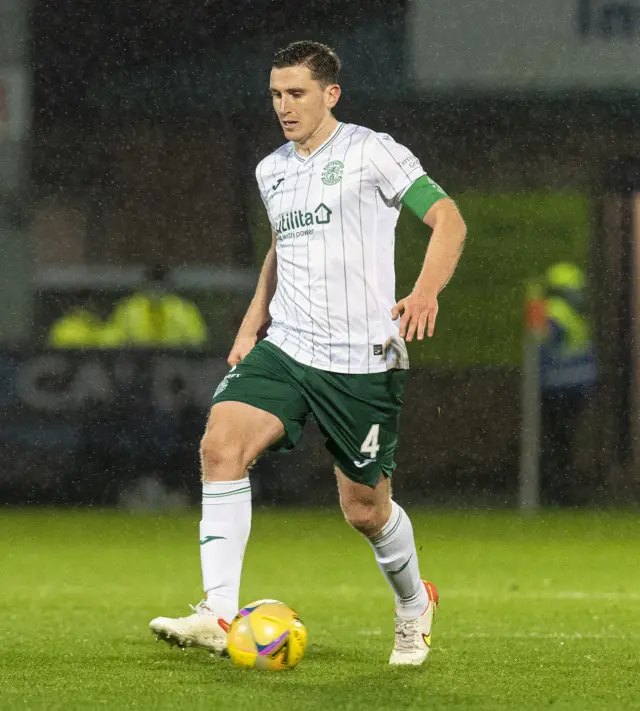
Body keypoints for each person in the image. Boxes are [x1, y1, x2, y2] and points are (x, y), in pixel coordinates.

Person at [149, 40, 466, 666]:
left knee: (365, 509)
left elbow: (449, 218)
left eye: (296, 93)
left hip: (362, 359)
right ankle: (217, 610)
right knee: (221, 446)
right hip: (288, 346)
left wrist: (425, 290)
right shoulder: (272, 169)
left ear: (331, 94)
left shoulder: (372, 151)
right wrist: (250, 328)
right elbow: (280, 251)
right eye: (275, 95)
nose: (284, 106)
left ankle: (413, 603)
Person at [539, 262, 597, 505]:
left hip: (559, 387)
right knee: (562, 442)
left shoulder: (558, 312)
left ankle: (558, 491)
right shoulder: (559, 313)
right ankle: (559, 492)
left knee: (559, 441)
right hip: (566, 387)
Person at [108, 264, 207, 348]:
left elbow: (197, 342)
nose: (156, 291)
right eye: (153, 286)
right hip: (137, 365)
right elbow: (114, 341)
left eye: (160, 286)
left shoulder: (183, 309)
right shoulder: (128, 309)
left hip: (174, 365)